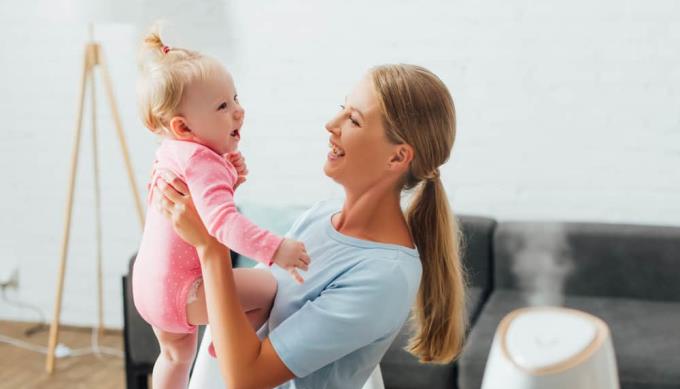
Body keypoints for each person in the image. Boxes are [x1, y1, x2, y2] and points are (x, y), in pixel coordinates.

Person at [154, 64, 467, 388]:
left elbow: (246, 378)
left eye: (354, 119)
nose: (331, 125)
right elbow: (254, 299)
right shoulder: (321, 217)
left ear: (397, 158)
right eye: (341, 110)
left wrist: (211, 245)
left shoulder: (386, 276)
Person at [133, 29, 310, 389]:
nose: (239, 111)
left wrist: (230, 178)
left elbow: (197, 204)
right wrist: (277, 249)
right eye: (222, 107)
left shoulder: (170, 150)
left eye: (235, 98)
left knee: (174, 358)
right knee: (269, 288)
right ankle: (227, 346)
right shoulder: (203, 161)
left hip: (149, 286)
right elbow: (224, 224)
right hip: (187, 290)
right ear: (184, 126)